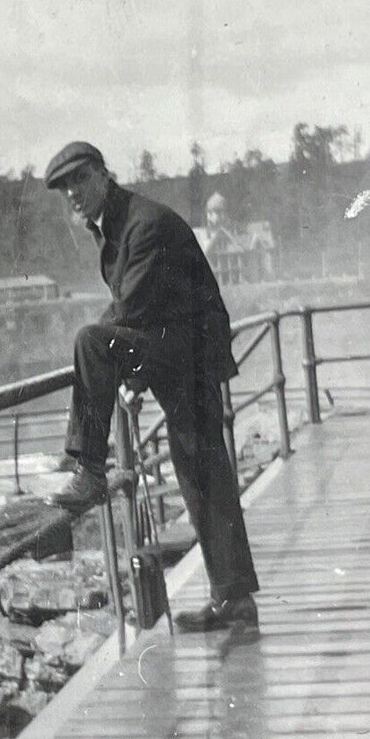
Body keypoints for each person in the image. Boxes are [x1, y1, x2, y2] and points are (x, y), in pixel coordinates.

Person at [44, 140, 260, 632]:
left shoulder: (143, 224)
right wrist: (133, 374)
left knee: (89, 342)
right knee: (201, 473)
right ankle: (235, 600)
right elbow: (141, 307)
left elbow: (130, 311)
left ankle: (90, 469)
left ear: (103, 174)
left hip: (191, 355)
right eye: (64, 189)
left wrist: (124, 370)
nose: (73, 194)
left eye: (80, 180)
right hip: (181, 352)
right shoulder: (115, 226)